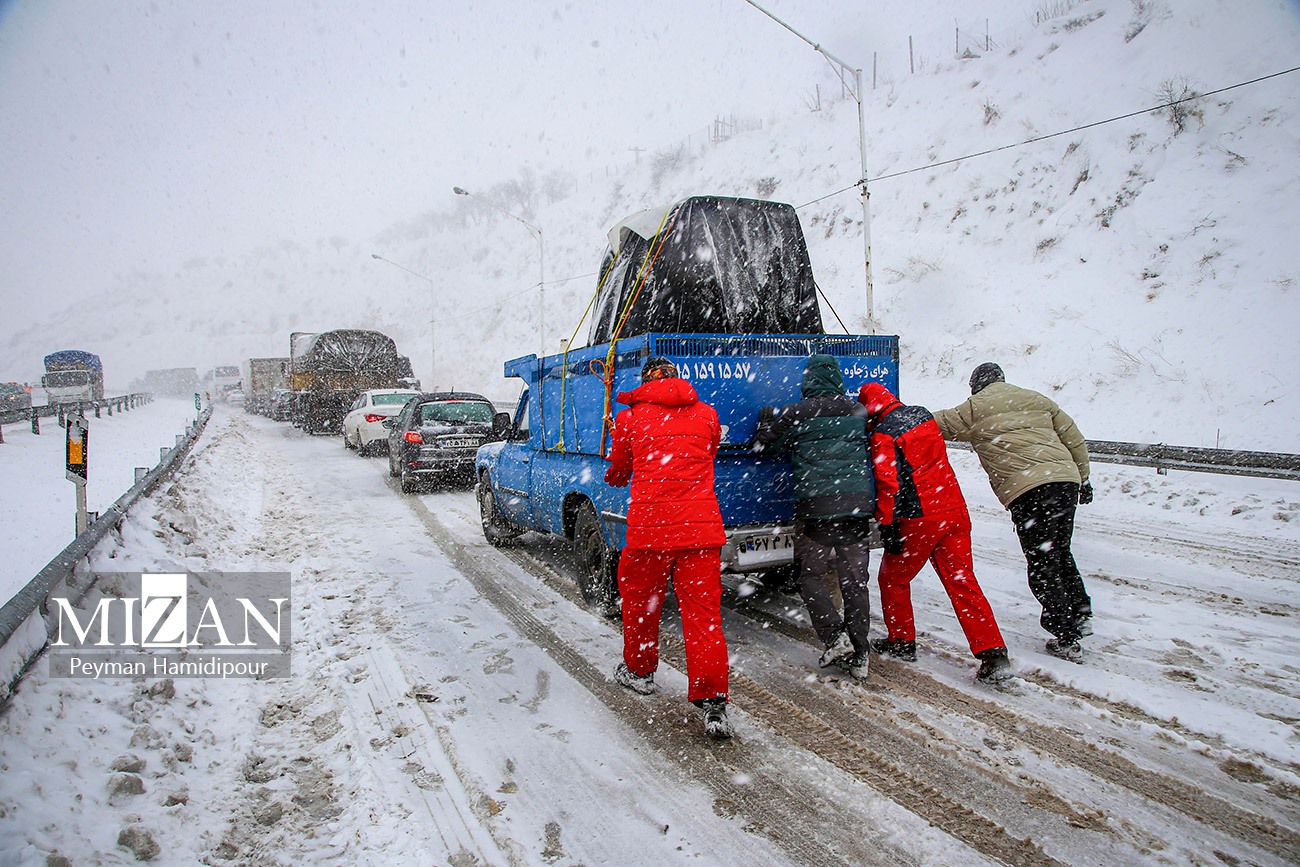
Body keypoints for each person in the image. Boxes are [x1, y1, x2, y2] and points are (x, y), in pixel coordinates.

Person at [605, 356, 733, 739]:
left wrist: (618, 461)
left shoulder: (629, 418)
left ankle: (640, 670)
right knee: (703, 615)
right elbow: (708, 454)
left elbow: (619, 468)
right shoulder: (707, 415)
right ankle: (713, 700)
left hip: (651, 531)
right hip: (700, 531)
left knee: (641, 602)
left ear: (645, 382)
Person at [933, 363, 1094, 662]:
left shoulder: (973, 409)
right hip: (1064, 482)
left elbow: (932, 423)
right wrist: (1083, 478)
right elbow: (1074, 438)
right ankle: (1080, 611)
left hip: (1028, 489)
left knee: (1042, 559)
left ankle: (1066, 633)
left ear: (975, 386)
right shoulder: (1037, 399)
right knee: (1059, 550)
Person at [858, 383, 1013, 684]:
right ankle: (993, 653)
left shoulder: (884, 433)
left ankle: (901, 641)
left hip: (921, 518)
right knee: (962, 581)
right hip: (954, 510)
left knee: (893, 578)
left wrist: (887, 523)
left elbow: (889, 483)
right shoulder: (923, 415)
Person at [752, 354, 875, 680]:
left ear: (808, 380)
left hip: (817, 510)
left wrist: (765, 426)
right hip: (856, 506)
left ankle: (834, 636)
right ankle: (861, 653)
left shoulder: (796, 412)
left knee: (810, 576)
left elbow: (767, 447)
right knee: (855, 582)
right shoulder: (856, 411)